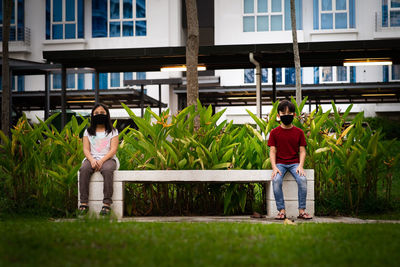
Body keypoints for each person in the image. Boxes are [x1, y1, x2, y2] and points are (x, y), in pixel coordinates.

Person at [267, 100, 312, 220]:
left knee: (302, 179)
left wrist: (300, 166)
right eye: (283, 113)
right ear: (278, 116)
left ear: (294, 115)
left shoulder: (299, 132)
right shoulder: (274, 132)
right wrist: (274, 167)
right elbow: (272, 151)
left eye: (289, 113)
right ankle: (281, 211)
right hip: (280, 164)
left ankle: (302, 211)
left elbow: (302, 151)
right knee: (276, 180)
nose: (286, 116)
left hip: (294, 164)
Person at [78, 104, 119, 216]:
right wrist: (91, 160)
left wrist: (102, 161)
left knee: (107, 170)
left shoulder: (113, 131)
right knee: (84, 169)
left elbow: (113, 150)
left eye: (102, 113)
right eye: (96, 113)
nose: (99, 115)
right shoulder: (88, 132)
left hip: (109, 158)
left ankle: (106, 204)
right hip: (91, 158)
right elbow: (86, 149)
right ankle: (84, 203)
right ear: (92, 116)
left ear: (107, 115)